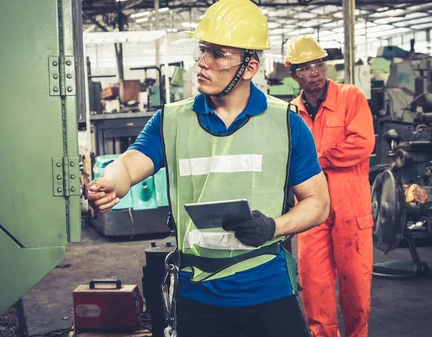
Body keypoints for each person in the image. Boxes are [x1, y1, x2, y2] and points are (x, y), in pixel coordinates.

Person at [87, 1, 330, 336]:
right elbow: (129, 163)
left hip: (267, 288)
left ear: (249, 67)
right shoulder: (171, 121)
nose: (202, 62)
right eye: (202, 50)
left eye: (217, 54)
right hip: (198, 295)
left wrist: (273, 226)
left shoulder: (287, 123)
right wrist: (111, 183)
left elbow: (319, 203)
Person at [286, 36, 376, 337]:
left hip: (350, 209)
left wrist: (319, 160)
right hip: (311, 210)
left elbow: (363, 143)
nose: (314, 71)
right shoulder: (291, 112)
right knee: (314, 285)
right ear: (293, 73)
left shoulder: (350, 97)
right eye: (305, 67)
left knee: (355, 285)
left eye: (319, 64)